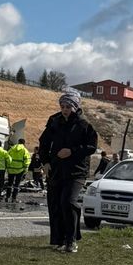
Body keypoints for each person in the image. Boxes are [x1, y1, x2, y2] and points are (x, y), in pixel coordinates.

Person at [39, 91, 98, 253]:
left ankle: (71, 240)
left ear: (76, 106)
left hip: (76, 171)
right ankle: (59, 240)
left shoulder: (83, 124)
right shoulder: (54, 121)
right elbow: (43, 143)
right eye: (62, 106)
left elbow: (91, 147)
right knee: (55, 203)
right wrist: (45, 162)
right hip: (56, 169)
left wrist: (71, 151)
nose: (65, 109)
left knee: (69, 201)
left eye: (68, 107)